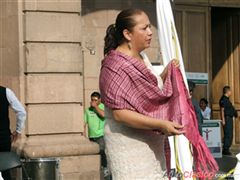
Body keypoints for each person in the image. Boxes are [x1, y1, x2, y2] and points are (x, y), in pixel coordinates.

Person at [100, 9, 185, 179]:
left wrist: (166, 74)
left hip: (153, 145)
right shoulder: (114, 65)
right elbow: (120, 114)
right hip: (128, 147)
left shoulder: (143, 57)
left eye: (150, 27)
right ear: (127, 34)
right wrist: (161, 124)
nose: (150, 32)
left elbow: (148, 93)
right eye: (144, 28)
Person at [0, 86, 26, 180]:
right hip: (3, 139)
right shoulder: (6, 92)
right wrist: (18, 131)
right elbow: (21, 112)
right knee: (4, 170)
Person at [84, 92, 109, 177]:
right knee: (93, 155)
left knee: (102, 152)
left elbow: (103, 115)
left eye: (95, 100)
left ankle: (105, 169)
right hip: (91, 137)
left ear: (99, 100)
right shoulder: (88, 110)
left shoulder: (103, 107)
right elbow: (84, 123)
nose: (93, 102)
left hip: (101, 136)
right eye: (92, 100)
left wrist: (96, 107)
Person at [219, 86, 238, 155]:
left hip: (229, 118)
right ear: (228, 91)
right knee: (228, 134)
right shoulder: (223, 99)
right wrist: (223, 120)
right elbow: (222, 110)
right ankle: (225, 150)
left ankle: (227, 148)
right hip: (226, 119)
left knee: (229, 134)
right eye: (230, 91)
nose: (231, 92)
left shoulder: (227, 99)